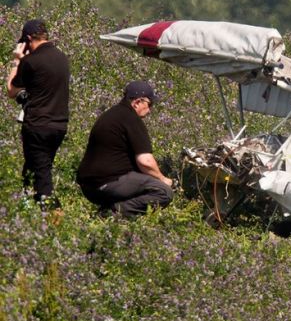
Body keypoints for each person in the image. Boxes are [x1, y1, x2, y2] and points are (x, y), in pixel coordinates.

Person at [76, 81, 174, 217]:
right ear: (137, 102)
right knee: (163, 192)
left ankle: (111, 212)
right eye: (149, 104)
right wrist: (163, 179)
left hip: (89, 186)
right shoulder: (131, 118)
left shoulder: (110, 115)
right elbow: (145, 161)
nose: (150, 110)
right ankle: (110, 214)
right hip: (109, 182)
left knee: (139, 182)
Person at [5, 19, 70, 210]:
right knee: (31, 170)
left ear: (27, 39)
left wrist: (17, 60)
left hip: (37, 126)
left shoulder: (30, 61)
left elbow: (11, 90)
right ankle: (25, 211)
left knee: (42, 177)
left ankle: (54, 220)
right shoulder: (61, 57)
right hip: (59, 126)